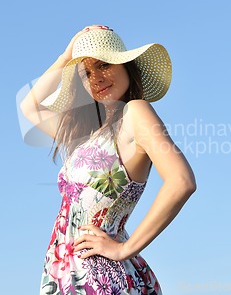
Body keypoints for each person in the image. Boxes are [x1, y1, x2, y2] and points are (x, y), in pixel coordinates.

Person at [20, 24, 196, 295]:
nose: (97, 78)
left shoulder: (135, 113)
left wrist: (125, 248)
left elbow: (181, 181)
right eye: (87, 73)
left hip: (101, 279)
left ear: (126, 65)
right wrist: (67, 56)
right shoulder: (84, 134)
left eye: (103, 65)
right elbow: (29, 105)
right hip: (65, 275)